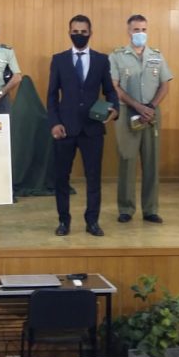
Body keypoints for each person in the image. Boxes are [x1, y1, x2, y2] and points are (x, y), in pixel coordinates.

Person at [47, 14, 119, 237]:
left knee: (94, 178)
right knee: (62, 178)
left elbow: (110, 91)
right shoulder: (59, 60)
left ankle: (92, 221)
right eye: (75, 32)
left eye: (83, 32)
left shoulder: (101, 60)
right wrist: (54, 123)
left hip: (92, 128)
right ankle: (63, 221)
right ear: (69, 33)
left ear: (90, 33)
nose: (79, 35)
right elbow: (52, 95)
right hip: (65, 129)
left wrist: (114, 108)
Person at [110, 14, 173, 224]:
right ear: (128, 31)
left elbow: (165, 84)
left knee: (151, 162)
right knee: (127, 161)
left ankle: (150, 209)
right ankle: (126, 208)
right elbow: (114, 87)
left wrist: (151, 107)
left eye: (143, 30)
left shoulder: (156, 55)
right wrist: (138, 106)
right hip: (127, 113)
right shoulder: (117, 56)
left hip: (151, 115)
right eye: (136, 30)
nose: (140, 33)